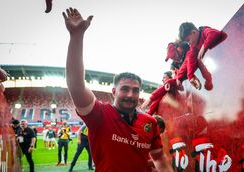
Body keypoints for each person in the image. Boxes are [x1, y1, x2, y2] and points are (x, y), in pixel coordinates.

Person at [63, 7, 173, 171]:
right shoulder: (99, 114)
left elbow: (159, 158)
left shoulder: (150, 122)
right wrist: (76, 36)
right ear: (114, 92)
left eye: (136, 90)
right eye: (125, 89)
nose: (131, 94)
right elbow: (76, 85)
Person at [176, 22, 227, 90]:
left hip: (225, 53)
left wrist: (204, 46)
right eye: (187, 42)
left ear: (193, 32)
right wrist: (188, 76)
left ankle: (209, 79)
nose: (189, 43)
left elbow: (215, 33)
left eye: (188, 40)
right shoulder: (193, 47)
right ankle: (208, 79)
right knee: (194, 58)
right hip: (217, 65)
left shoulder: (204, 31)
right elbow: (188, 61)